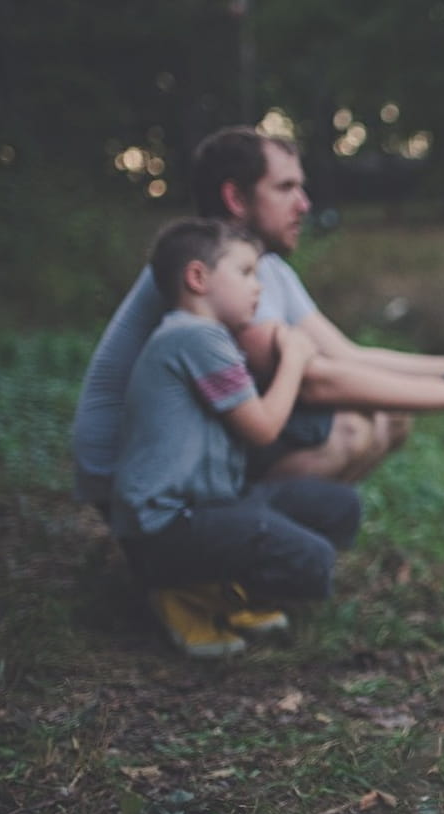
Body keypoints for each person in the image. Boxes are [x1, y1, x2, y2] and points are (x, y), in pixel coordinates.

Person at [71, 125, 444, 512]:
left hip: (192, 450)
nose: (304, 204)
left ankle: (270, 549)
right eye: (285, 188)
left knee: (390, 416)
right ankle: (227, 562)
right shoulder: (214, 280)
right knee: (352, 428)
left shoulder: (262, 267)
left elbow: (347, 354)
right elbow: (315, 380)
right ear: (235, 196)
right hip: (131, 477)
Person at [112, 217, 362, 658]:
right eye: (246, 273)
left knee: (341, 507)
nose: (258, 287)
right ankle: (180, 593)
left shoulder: (204, 336)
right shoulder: (194, 336)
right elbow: (263, 427)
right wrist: (296, 358)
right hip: (166, 527)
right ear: (197, 278)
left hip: (210, 505)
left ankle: (215, 586)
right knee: (313, 560)